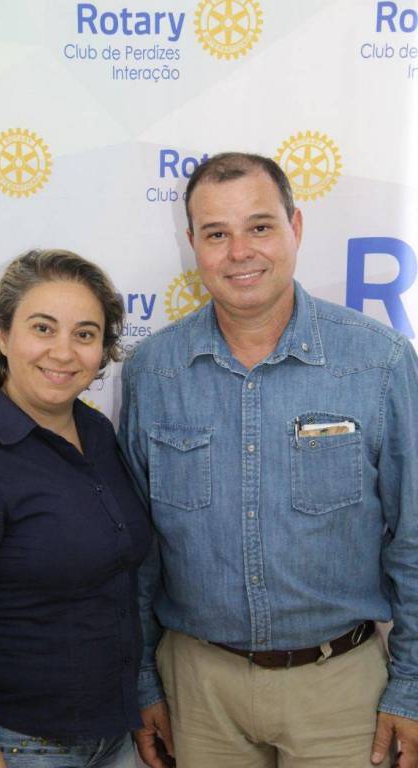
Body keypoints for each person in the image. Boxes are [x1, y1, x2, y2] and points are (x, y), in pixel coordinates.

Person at [118, 153, 418, 768]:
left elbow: (414, 538)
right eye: (216, 234)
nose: (240, 252)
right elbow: (138, 553)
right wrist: (143, 680)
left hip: (342, 693)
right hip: (197, 692)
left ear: (295, 228)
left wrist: (412, 686)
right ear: (193, 244)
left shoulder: (380, 362)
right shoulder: (153, 372)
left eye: (259, 226)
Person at [0, 249, 152, 768]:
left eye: (84, 334)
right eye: (43, 328)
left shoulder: (97, 433)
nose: (63, 352)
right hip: (13, 747)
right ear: (2, 335)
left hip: (109, 739)